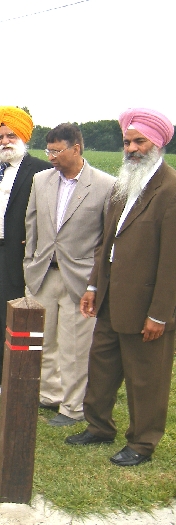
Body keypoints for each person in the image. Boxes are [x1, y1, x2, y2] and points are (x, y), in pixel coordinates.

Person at [66, 108, 176, 467]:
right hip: (111, 298)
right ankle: (98, 426)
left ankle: (143, 442)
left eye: (139, 141)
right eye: (127, 142)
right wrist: (94, 288)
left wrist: (160, 314)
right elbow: (106, 244)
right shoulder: (122, 186)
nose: (131, 149)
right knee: (101, 365)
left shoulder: (170, 190)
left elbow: (172, 260)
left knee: (146, 378)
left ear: (156, 144)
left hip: (147, 305)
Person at [24, 123, 114, 426]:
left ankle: (73, 408)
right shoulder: (40, 181)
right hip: (43, 276)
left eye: (56, 151)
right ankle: (50, 395)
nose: (50, 157)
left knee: (75, 348)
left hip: (80, 281)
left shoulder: (105, 186)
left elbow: (107, 240)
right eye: (48, 151)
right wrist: (29, 265)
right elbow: (31, 227)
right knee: (44, 342)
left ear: (76, 149)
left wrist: (96, 282)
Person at [0, 106, 52, 388]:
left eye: (11, 135)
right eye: (0, 136)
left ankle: (15, 370)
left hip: (11, 252)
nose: (5, 141)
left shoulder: (40, 171)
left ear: (23, 136)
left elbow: (49, 214)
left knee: (11, 311)